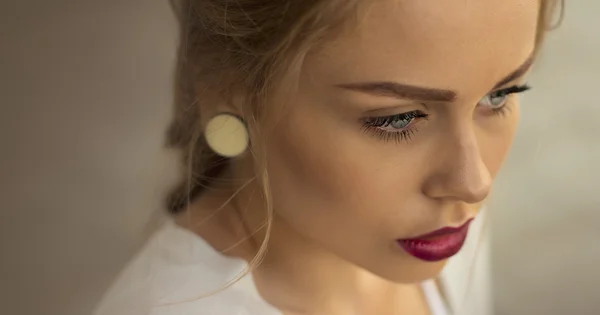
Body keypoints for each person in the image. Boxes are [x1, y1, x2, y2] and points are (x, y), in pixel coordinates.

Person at [94, 0, 562, 314]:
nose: (474, 181)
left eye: (500, 95)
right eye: (397, 119)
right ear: (226, 88)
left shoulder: (440, 236)